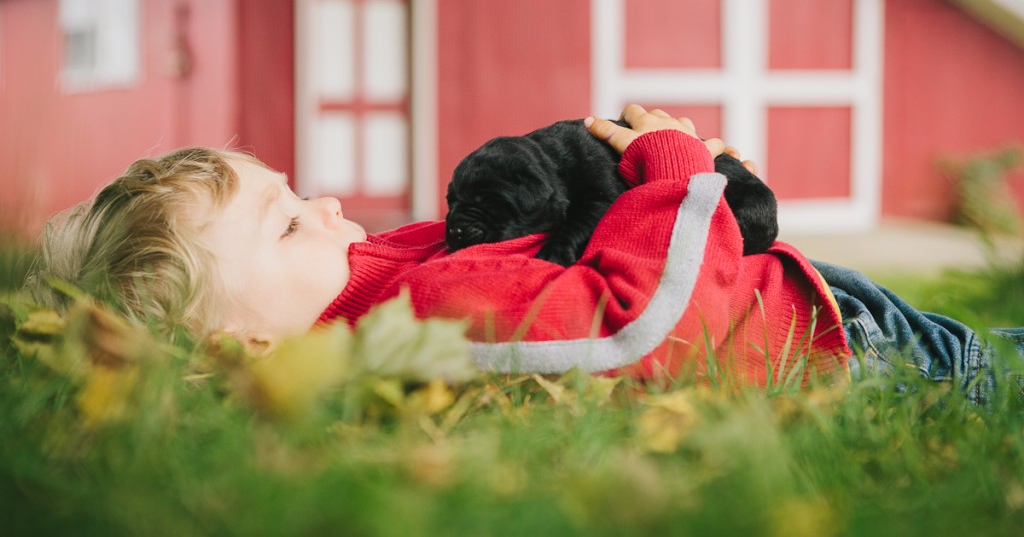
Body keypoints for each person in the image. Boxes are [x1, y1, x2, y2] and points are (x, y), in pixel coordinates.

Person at [25, 105, 1024, 404]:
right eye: (288, 223)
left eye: (296, 191)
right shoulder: (422, 320)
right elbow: (632, 326)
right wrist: (671, 172)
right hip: (831, 347)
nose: (328, 204)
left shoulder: (380, 281)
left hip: (791, 297)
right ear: (239, 343)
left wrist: (619, 181)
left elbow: (536, 241)